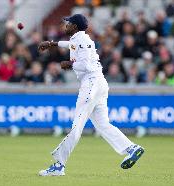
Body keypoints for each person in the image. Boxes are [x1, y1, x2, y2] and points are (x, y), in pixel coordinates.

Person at [37, 14, 144, 176]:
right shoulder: (79, 39)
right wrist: (52, 43)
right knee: (103, 125)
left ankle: (59, 165)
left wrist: (70, 64)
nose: (65, 25)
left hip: (91, 84)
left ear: (75, 26)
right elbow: (71, 45)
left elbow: (86, 65)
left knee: (77, 125)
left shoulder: (83, 41)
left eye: (68, 23)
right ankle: (131, 148)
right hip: (98, 84)